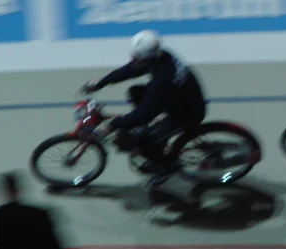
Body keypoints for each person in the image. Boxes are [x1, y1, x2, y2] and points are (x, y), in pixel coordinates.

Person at [81, 30, 207, 173]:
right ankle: (155, 130)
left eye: (136, 58)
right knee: (135, 91)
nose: (133, 60)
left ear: (147, 58)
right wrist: (102, 82)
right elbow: (131, 70)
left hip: (187, 113)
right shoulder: (161, 56)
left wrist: (112, 125)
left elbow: (143, 115)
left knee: (142, 139)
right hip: (177, 98)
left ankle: (165, 166)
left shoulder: (163, 78)